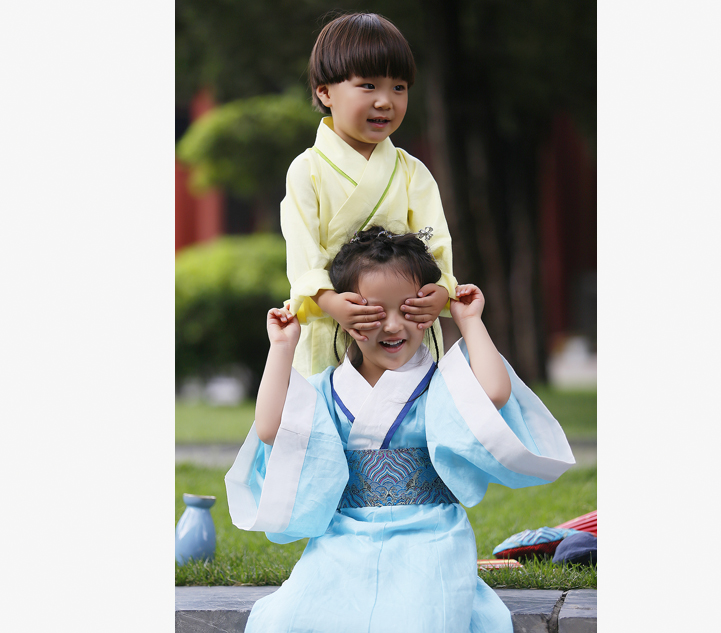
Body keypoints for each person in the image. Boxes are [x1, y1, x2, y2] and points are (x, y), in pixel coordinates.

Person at [225, 227, 575, 633]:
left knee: (420, 620)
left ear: (427, 311)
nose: (392, 326)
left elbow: (494, 394)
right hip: (343, 540)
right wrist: (281, 348)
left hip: (429, 538)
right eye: (373, 312)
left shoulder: (440, 385)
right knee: (291, 619)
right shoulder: (326, 388)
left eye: (408, 310)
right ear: (347, 314)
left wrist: (469, 320)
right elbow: (272, 429)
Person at [282, 12, 457, 377]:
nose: (385, 102)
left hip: (403, 327)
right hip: (335, 324)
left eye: (398, 87)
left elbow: (435, 244)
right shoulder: (307, 170)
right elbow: (303, 256)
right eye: (368, 86)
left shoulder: (412, 172)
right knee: (331, 425)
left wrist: (439, 290)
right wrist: (330, 302)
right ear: (325, 92)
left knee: (409, 423)